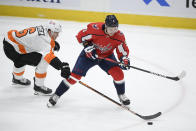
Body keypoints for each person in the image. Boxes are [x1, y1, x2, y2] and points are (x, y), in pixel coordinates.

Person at [47, 15, 130, 107]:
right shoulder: (94, 29)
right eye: (111, 29)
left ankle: (121, 95)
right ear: (106, 26)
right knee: (74, 78)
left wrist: (124, 59)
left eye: (115, 29)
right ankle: (56, 95)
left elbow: (122, 50)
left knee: (119, 74)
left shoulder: (119, 36)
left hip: (106, 56)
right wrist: (88, 47)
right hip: (88, 56)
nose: (113, 31)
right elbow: (80, 37)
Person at [3, 20, 71, 95]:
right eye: (56, 33)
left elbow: (38, 40)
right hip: (13, 48)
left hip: (9, 40)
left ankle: (17, 79)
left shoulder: (44, 27)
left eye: (58, 33)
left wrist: (52, 43)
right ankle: (38, 86)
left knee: (23, 57)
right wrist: (61, 66)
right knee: (42, 60)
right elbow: (49, 57)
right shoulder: (45, 41)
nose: (57, 35)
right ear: (49, 31)